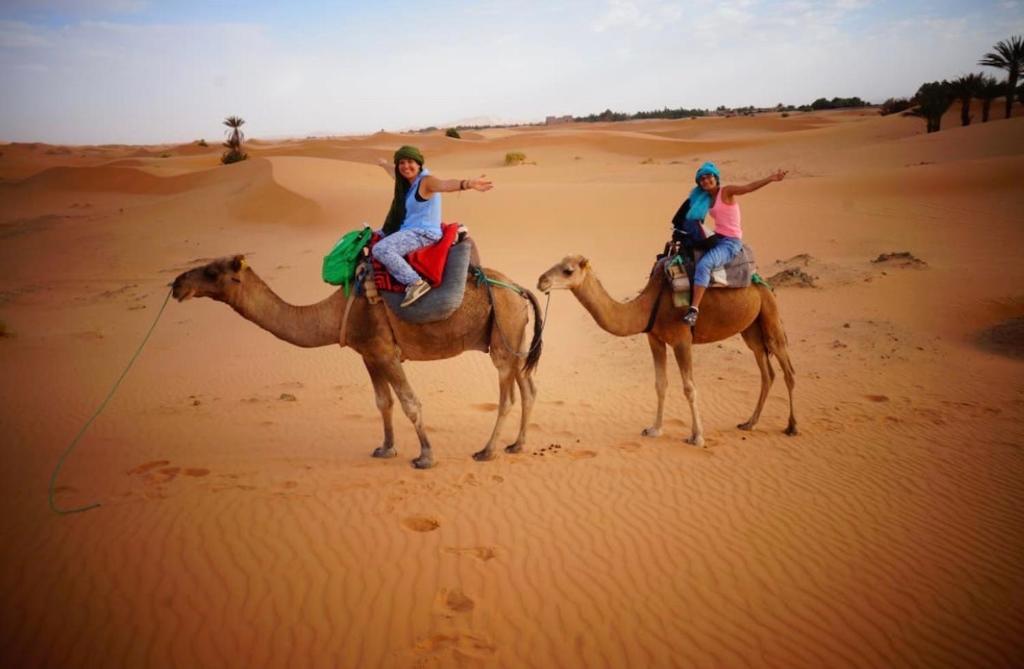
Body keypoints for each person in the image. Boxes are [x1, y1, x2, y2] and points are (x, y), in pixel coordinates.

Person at [372, 146, 492, 307]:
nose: (406, 166)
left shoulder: (426, 182)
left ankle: (415, 283)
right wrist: (383, 163)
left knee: (381, 249)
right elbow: (394, 172)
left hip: (423, 233)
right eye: (402, 162)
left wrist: (468, 183)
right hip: (408, 228)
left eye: (410, 162)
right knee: (371, 236)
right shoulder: (407, 182)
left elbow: (444, 185)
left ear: (419, 164)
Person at [679, 162, 787, 326]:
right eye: (701, 179)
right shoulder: (706, 199)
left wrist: (771, 179)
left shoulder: (726, 192)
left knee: (704, 265)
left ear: (715, 177)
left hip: (730, 242)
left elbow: (749, 187)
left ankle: (694, 309)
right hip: (717, 237)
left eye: (708, 176)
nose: (705, 181)